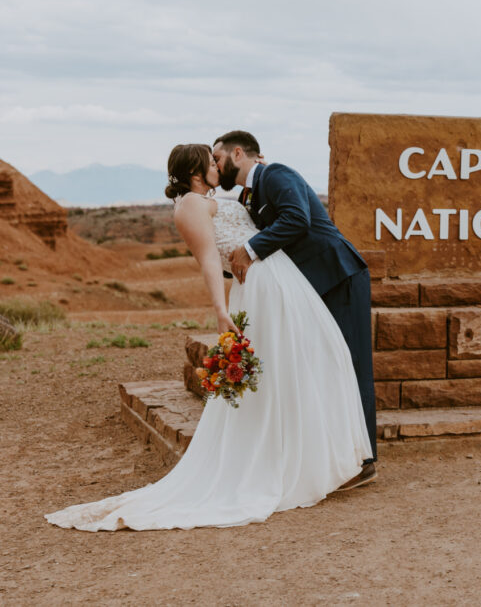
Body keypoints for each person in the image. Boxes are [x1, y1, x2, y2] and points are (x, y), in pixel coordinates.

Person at [45, 144, 372, 531]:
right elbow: (209, 260)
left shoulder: (207, 199)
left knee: (311, 359)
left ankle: (319, 456)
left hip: (281, 280)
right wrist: (220, 312)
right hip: (263, 286)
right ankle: (292, 462)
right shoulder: (190, 206)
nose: (218, 166)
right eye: (211, 161)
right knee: (286, 367)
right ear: (198, 171)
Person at [211, 131, 376, 487]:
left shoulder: (276, 174)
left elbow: (297, 219)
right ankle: (333, 455)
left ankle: (364, 461)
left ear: (238, 153)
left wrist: (251, 249)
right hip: (308, 288)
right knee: (322, 365)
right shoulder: (245, 195)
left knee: (350, 363)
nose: (215, 165)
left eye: (218, 158)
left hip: (338, 274)